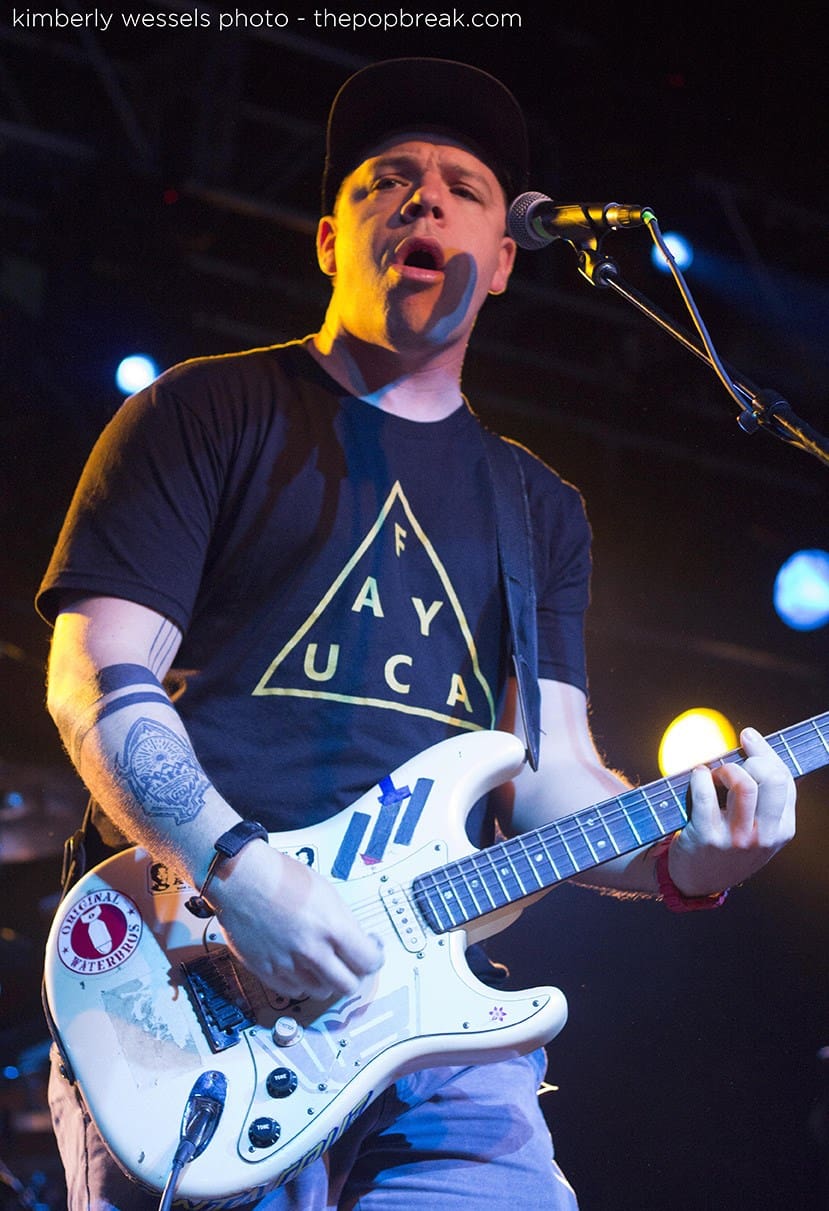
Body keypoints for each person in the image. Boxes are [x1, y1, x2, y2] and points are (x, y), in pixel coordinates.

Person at [36, 57, 796, 1211]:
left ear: (504, 259)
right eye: (387, 180)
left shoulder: (536, 508)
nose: (425, 198)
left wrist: (692, 859)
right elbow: (95, 677)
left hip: (429, 1022)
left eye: (464, 187)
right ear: (329, 240)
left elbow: (552, 779)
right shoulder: (200, 411)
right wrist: (240, 871)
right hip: (192, 974)